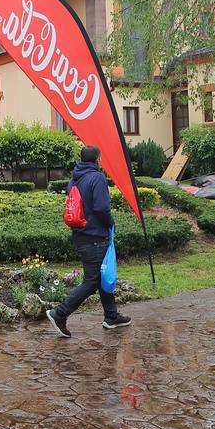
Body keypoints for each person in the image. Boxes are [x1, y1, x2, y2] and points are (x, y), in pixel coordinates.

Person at [45, 145, 130, 338]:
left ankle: (111, 316)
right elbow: (101, 208)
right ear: (97, 160)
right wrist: (111, 223)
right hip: (94, 236)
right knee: (92, 281)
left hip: (80, 234)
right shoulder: (97, 178)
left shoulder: (75, 178)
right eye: (101, 158)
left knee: (101, 275)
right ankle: (59, 314)